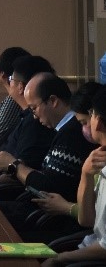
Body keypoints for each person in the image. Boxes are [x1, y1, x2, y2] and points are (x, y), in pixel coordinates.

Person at [0, 73, 96, 241]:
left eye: (34, 108)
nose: (34, 116)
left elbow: (50, 188)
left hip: (58, 223)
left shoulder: (72, 133)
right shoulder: (61, 130)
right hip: (42, 213)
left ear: (53, 101)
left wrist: (15, 166)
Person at [41, 85, 106, 266]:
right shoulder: (96, 159)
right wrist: (86, 174)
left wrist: (60, 258)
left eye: (89, 117)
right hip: (89, 245)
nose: (86, 126)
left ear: (98, 121)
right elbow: (87, 219)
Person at [0, 55, 56, 188]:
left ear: (21, 87)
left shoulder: (36, 122)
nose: (8, 82)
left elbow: (21, 171)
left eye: (11, 78)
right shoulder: (26, 116)